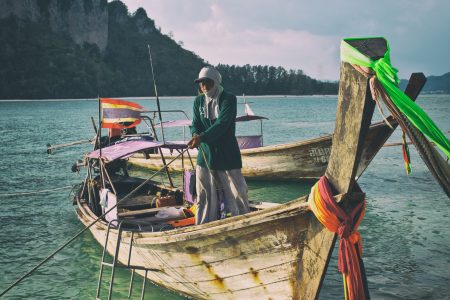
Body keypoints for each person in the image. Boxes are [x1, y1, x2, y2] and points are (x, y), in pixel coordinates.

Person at [187, 66, 250, 224]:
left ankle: (242, 223)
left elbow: (222, 124)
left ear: (215, 82)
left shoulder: (228, 99)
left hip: (227, 156)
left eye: (207, 82)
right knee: (205, 196)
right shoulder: (198, 101)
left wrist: (201, 137)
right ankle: (203, 227)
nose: (204, 86)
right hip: (206, 156)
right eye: (201, 83)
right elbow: (195, 124)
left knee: (237, 194)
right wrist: (195, 134)